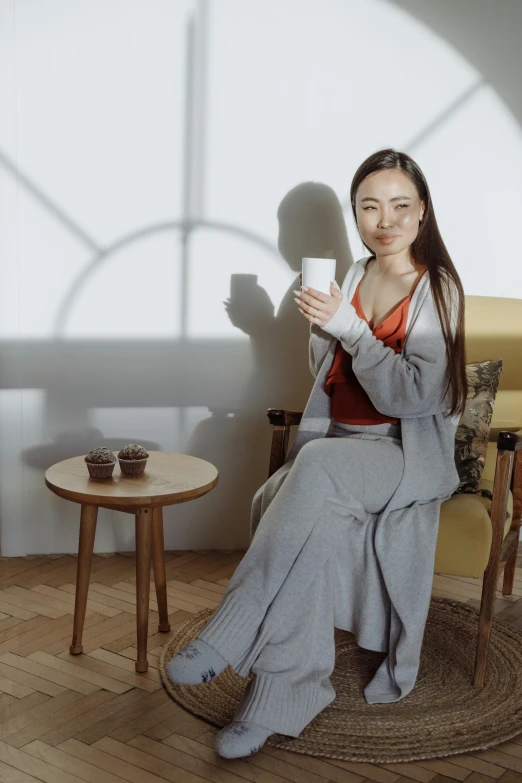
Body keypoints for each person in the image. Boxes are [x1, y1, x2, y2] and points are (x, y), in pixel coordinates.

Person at [166, 148, 468, 759]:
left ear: (423, 211)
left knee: (316, 468)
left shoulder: (436, 289)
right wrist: (319, 325)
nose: (385, 219)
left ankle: (233, 628)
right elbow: (327, 372)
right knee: (291, 500)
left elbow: (414, 396)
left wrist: (353, 330)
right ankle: (283, 695)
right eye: (369, 206)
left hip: (402, 456)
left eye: (400, 205)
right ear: (356, 214)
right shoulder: (352, 274)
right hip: (339, 448)